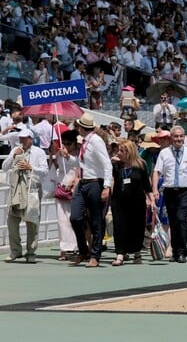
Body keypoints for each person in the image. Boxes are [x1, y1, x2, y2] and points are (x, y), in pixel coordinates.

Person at [152, 125, 187, 263]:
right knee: (173, 221)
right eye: (176, 136)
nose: (178, 139)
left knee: (181, 219)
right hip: (169, 190)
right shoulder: (164, 153)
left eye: (181, 136)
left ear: (184, 137)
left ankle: (182, 251)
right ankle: (175, 251)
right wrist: (155, 190)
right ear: (171, 138)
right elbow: (156, 172)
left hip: (185, 190)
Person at [69, 113, 113, 268]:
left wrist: (106, 186)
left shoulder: (96, 141)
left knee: (96, 221)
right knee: (75, 217)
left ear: (82, 127)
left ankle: (95, 255)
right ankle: (84, 250)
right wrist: (68, 157)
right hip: (84, 183)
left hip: (95, 183)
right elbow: (84, 163)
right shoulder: (85, 141)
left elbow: (107, 164)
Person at [1, 129, 48, 263]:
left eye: (25, 138)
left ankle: (31, 252)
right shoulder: (15, 150)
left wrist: (30, 167)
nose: (21, 141)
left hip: (32, 188)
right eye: (20, 138)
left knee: (32, 221)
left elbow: (44, 171)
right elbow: (4, 167)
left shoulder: (39, 152)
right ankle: (15, 251)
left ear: (31, 139)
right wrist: (13, 156)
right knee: (12, 221)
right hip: (17, 189)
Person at [110, 139, 155, 266]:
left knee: (136, 227)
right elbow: (110, 179)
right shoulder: (116, 165)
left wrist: (151, 200)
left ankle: (136, 252)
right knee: (119, 226)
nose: (119, 153)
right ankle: (120, 253)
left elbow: (146, 184)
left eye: (122, 151)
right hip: (119, 200)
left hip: (136, 201)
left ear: (129, 152)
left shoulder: (140, 165)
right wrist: (110, 163)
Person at [53, 129, 80, 261]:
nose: (66, 146)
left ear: (75, 144)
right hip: (61, 186)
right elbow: (56, 165)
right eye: (64, 143)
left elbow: (79, 165)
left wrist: (68, 156)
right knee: (61, 220)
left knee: (74, 219)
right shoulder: (60, 153)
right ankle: (64, 248)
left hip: (75, 188)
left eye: (69, 144)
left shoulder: (79, 154)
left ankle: (77, 245)